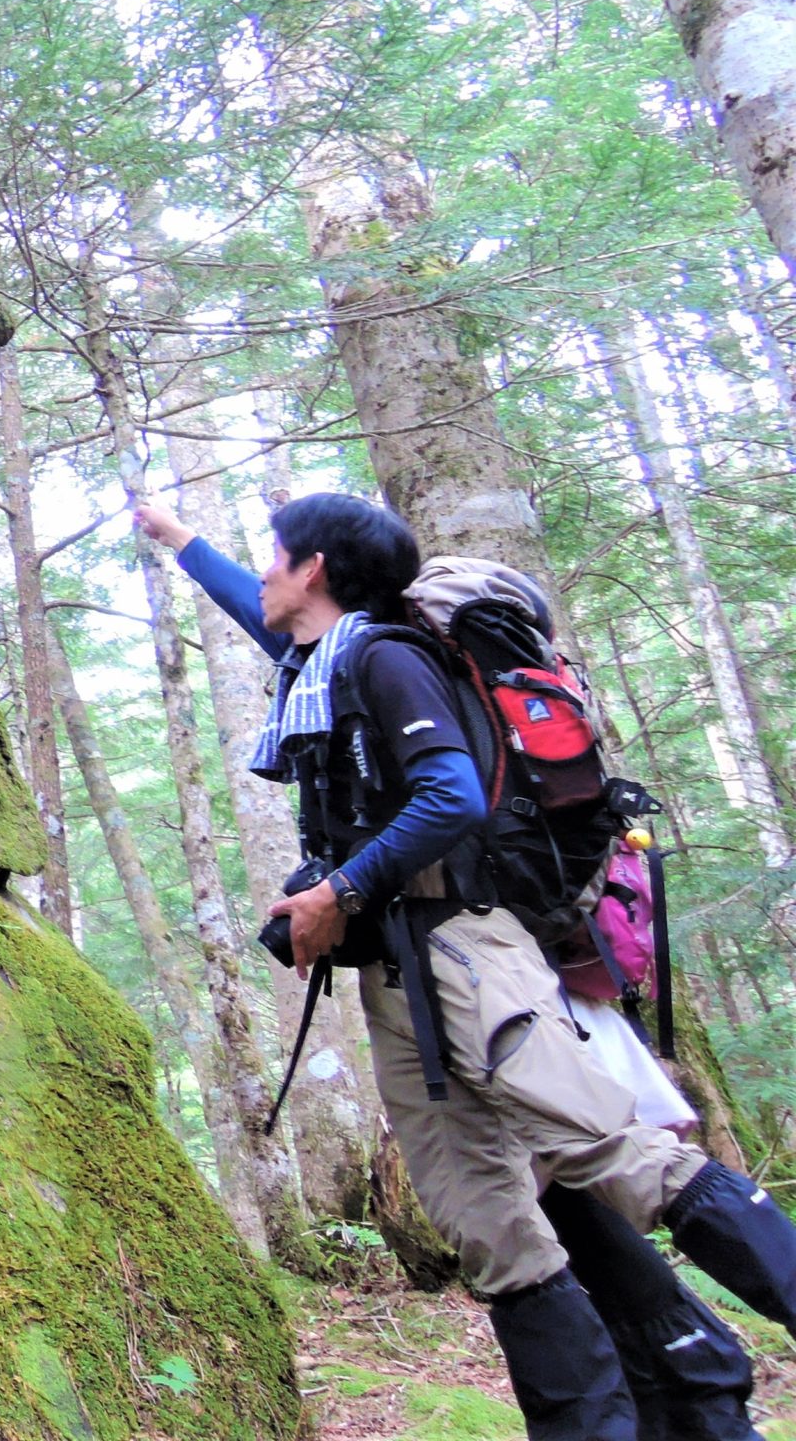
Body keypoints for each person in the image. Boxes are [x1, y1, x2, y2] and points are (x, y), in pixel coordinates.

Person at [135, 491, 796, 1441]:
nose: (266, 571)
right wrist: (177, 538)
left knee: (612, 1149)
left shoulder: (386, 658)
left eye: (275, 554)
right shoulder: (323, 661)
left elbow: (451, 797)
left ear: (313, 569)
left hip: (467, 947)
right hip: (398, 973)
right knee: (490, 1227)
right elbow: (255, 607)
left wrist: (336, 892)